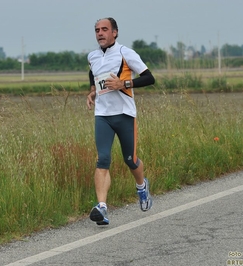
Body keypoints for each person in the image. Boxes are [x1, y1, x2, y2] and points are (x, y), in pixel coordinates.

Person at [86, 17, 155, 225]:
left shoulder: (126, 53)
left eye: (104, 29)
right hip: (102, 115)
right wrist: (92, 92)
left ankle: (142, 187)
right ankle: (102, 208)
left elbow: (149, 78)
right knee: (103, 159)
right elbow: (92, 73)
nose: (100, 33)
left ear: (114, 32)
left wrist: (122, 83)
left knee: (130, 160)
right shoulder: (92, 56)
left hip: (125, 114)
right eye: (97, 30)